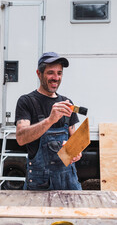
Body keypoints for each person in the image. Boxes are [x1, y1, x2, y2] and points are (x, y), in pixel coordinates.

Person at [15, 52, 82, 190]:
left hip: (69, 180)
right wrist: (50, 120)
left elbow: (74, 138)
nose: (55, 78)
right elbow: (21, 138)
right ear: (39, 74)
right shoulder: (26, 101)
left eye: (59, 73)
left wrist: (76, 151)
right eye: (50, 73)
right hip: (41, 183)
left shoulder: (67, 103)